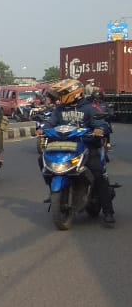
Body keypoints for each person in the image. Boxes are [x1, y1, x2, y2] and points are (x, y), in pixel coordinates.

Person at [38, 78, 115, 226]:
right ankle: (54, 191)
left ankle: (108, 212)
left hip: (87, 147)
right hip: (64, 146)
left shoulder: (89, 108)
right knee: (42, 160)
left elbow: (102, 124)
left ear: (73, 93)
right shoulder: (59, 110)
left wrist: (100, 130)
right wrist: (42, 129)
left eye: (62, 94)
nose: (59, 97)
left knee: (98, 174)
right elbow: (50, 123)